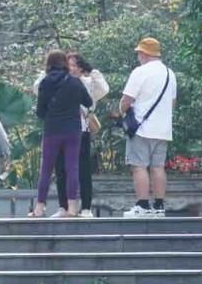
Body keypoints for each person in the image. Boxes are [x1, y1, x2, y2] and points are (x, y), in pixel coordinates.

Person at [34, 53, 109, 218]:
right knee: (72, 168)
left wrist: (51, 114)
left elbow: (40, 111)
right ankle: (72, 208)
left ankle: (39, 208)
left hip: (52, 129)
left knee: (47, 169)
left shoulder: (46, 82)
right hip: (73, 130)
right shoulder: (75, 82)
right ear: (65, 65)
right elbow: (88, 102)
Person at [120, 37, 176, 218]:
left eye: (139, 53)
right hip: (163, 130)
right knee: (158, 167)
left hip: (141, 129)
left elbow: (126, 101)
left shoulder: (140, 72)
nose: (138, 57)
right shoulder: (170, 74)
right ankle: (159, 207)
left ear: (144, 54)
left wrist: (122, 112)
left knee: (139, 166)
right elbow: (172, 103)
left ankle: (142, 206)